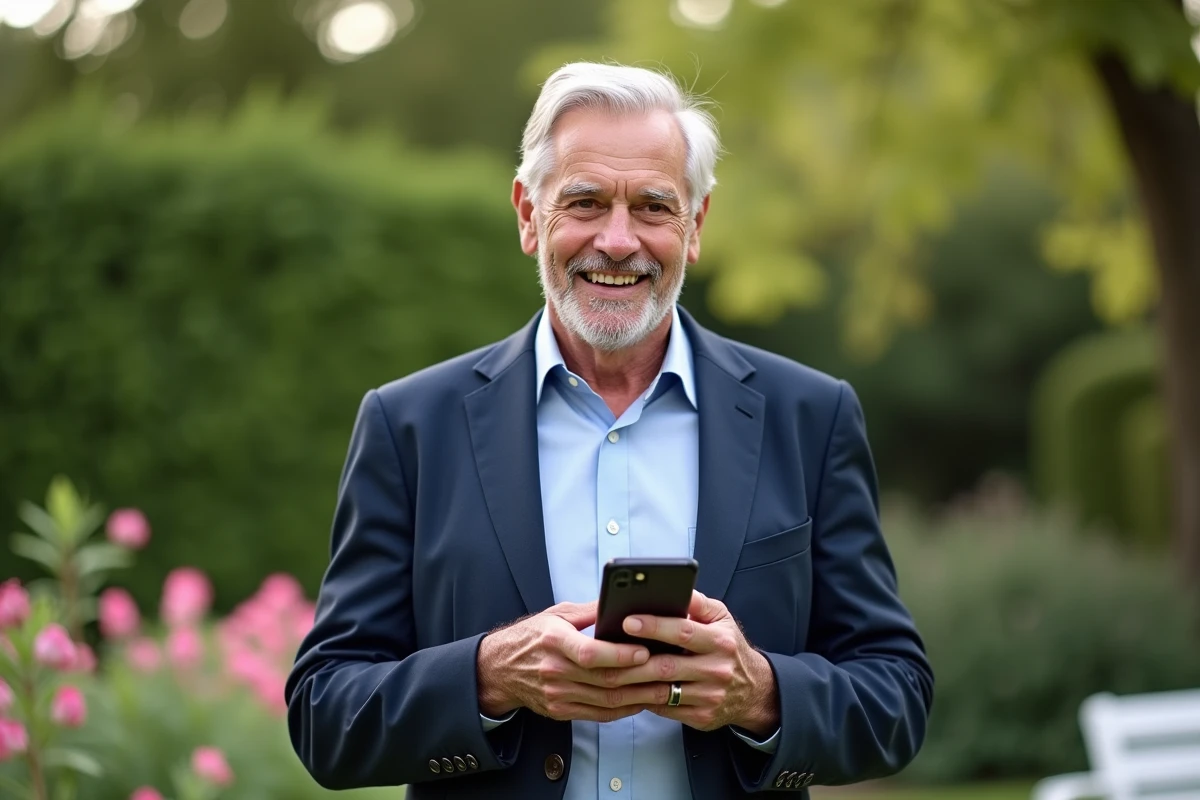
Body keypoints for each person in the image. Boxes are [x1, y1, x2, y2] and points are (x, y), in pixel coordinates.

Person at [285, 62, 933, 799]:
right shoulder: (409, 427)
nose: (619, 241)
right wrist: (489, 676)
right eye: (586, 202)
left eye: (654, 207)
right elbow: (323, 716)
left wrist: (761, 694)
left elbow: (897, 695)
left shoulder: (809, 417)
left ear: (696, 226)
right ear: (530, 216)